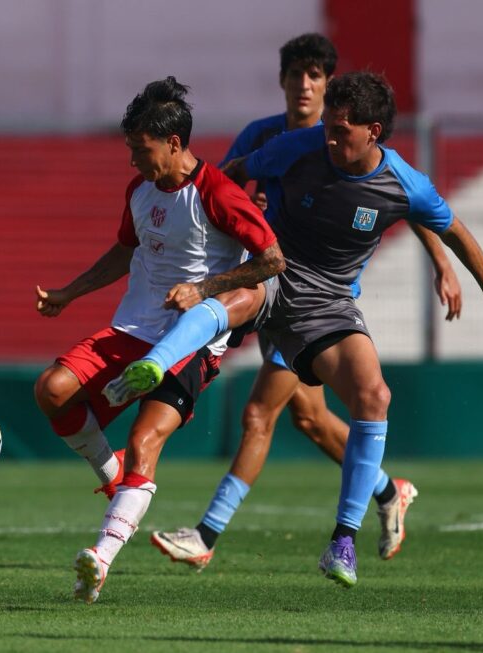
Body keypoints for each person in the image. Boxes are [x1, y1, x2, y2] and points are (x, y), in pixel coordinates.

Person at [146, 34, 462, 572]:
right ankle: (388, 492)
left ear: (330, 88)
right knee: (311, 421)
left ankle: (206, 534)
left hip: (310, 302)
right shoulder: (265, 136)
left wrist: (443, 261)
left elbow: (411, 203)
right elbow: (223, 190)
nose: (305, 84)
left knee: (257, 414)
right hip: (267, 280)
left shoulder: (347, 145)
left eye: (316, 75)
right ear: (284, 81)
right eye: (296, 73)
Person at [211, 70, 483, 588]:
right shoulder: (299, 146)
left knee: (370, 397)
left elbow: (454, 230)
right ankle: (162, 499)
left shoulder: (404, 184)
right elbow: (233, 174)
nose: (330, 138)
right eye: (328, 129)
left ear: (374, 132)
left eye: (341, 131)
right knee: (271, 407)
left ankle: (341, 540)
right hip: (270, 282)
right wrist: (244, 211)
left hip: (327, 305)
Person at [32, 77, 284, 604]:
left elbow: (271, 261)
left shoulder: (218, 192)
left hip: (193, 345)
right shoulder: (139, 191)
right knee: (52, 390)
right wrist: (70, 293)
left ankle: (99, 560)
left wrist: (205, 289)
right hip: (132, 328)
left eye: (139, 149)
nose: (132, 161)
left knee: (146, 440)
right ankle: (111, 474)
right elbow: (126, 251)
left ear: (173, 143)